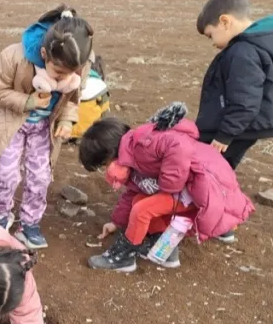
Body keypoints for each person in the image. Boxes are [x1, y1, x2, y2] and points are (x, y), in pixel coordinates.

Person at [0, 4, 93, 249]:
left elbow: (73, 98)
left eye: (70, 74)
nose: (62, 80)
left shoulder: (79, 64)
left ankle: (30, 223)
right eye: (57, 72)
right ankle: (1, 215)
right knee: (7, 173)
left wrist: (67, 119)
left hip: (44, 128)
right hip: (12, 123)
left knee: (40, 176)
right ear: (44, 54)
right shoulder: (14, 57)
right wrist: (28, 101)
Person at [79, 102, 255, 272]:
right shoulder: (132, 161)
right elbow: (133, 192)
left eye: (104, 165)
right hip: (186, 190)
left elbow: (178, 145)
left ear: (110, 153)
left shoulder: (144, 145)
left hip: (198, 189)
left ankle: (123, 258)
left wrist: (168, 185)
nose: (107, 171)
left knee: (142, 209)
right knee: (140, 200)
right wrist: (116, 222)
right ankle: (166, 251)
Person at [195, 0, 273, 169]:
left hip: (242, 124)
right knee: (224, 164)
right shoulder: (262, 42)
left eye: (210, 35)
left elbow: (245, 101)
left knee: (206, 164)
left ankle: (211, 192)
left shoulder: (244, 52)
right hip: (252, 123)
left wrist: (224, 135)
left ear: (225, 21)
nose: (213, 43)